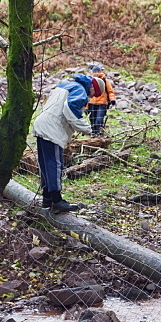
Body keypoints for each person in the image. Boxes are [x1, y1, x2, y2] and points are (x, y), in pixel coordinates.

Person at [33, 74, 100, 213]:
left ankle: (47, 198)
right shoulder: (81, 89)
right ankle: (57, 200)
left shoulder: (66, 85)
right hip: (53, 129)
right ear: (93, 87)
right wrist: (86, 128)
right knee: (55, 165)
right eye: (95, 93)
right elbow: (70, 108)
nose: (92, 97)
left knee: (45, 164)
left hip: (42, 125)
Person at [86, 63, 116, 136]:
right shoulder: (89, 81)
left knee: (99, 119)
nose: (96, 73)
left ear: (100, 72)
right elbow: (86, 94)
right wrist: (86, 107)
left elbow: (110, 91)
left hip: (102, 103)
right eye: (95, 72)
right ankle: (94, 134)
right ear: (92, 72)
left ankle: (99, 132)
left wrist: (112, 99)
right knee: (92, 120)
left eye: (98, 71)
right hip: (91, 103)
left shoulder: (105, 81)